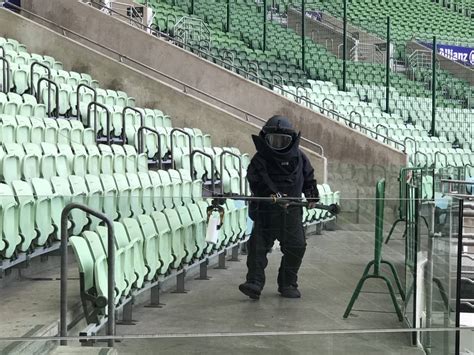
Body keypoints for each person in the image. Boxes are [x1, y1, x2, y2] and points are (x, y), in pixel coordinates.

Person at [239, 115, 319, 299]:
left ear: (291, 141)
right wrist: (273, 195)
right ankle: (254, 282)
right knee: (257, 248)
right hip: (265, 212)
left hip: (291, 212)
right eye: (273, 140)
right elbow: (256, 180)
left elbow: (309, 178)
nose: (278, 145)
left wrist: (312, 195)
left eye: (282, 141)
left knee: (296, 247)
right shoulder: (260, 159)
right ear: (265, 139)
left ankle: (288, 283)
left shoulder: (299, 158)